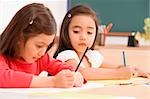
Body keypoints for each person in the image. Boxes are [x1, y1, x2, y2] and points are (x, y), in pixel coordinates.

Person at [54, 5, 150, 80]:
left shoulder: (92, 56)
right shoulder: (66, 55)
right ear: (66, 32)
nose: (83, 37)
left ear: (95, 34)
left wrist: (134, 70)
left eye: (89, 32)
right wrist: (118, 74)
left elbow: (117, 67)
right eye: (76, 31)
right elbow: (82, 73)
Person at [0, 3, 84, 88]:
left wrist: (73, 75)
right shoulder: (2, 57)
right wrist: (53, 82)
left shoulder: (41, 58)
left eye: (47, 46)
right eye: (39, 46)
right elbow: (2, 77)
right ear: (19, 38)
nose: (43, 52)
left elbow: (64, 68)